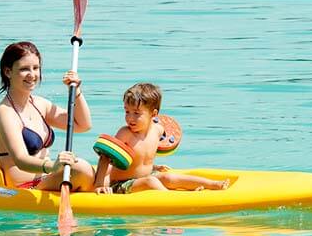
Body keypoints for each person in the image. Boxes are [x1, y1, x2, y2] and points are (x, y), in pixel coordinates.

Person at [0, 41, 95, 191]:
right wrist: (53, 166)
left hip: (46, 178)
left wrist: (76, 90)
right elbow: (20, 160)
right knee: (81, 168)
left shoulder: (40, 104)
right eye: (24, 69)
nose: (32, 75)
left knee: (99, 171)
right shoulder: (4, 113)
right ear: (8, 72)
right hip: (25, 188)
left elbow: (82, 125)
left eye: (36, 68)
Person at [93, 83, 229, 194]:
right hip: (122, 184)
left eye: (136, 113)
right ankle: (174, 198)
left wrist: (154, 167)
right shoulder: (125, 133)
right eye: (127, 111)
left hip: (146, 176)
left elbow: (143, 157)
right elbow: (105, 157)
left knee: (167, 177)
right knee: (151, 182)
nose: (130, 118)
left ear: (153, 114)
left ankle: (212, 184)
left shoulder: (157, 130)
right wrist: (99, 185)